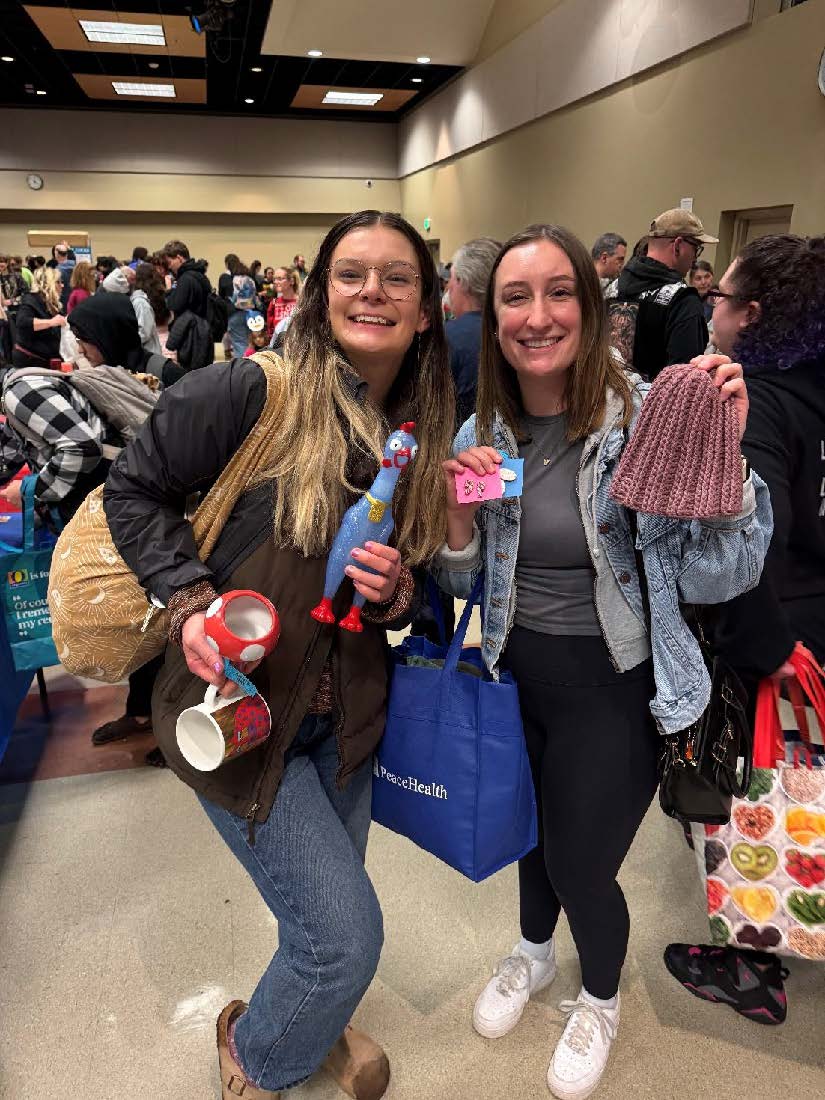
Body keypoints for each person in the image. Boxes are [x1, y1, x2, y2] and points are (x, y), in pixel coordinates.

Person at [102, 209, 454, 1099]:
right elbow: (134, 489)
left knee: (315, 917)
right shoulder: (250, 393)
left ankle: (294, 1014)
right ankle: (257, 1058)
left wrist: (399, 590)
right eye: (351, 274)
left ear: (423, 308)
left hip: (345, 720)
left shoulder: (417, 431)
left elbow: (424, 582)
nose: (372, 290)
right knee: (344, 939)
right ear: (318, 292)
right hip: (238, 713)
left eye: (396, 278)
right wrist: (187, 598)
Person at [434, 223, 771, 1100]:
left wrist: (725, 467)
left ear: (591, 307)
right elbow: (461, 572)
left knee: (582, 861)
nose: (536, 315)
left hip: (616, 682)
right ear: (493, 314)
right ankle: (533, 954)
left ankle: (600, 997)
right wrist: (457, 519)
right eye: (515, 296)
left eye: (559, 294)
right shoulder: (484, 430)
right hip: (513, 676)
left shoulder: (647, 417)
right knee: (528, 838)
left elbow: (718, 573)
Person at [664, 234, 825, 1024]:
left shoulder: (752, 400)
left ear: (751, 315)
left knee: (759, 797)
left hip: (784, 636)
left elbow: (747, 547)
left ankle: (752, 963)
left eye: (718, 298)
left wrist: (763, 648)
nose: (709, 309)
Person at [613, 209, 717, 378]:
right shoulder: (683, 302)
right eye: (696, 248)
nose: (694, 259)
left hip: (602, 399)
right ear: (677, 246)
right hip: (652, 403)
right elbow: (683, 384)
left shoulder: (612, 288)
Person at [444, 237, 501, 427]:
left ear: (461, 281)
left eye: (451, 278)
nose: (447, 287)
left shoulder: (445, 339)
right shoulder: (514, 335)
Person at [10, 265, 66, 370]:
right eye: (58, 282)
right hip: (31, 361)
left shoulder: (53, 304)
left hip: (46, 360)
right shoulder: (31, 299)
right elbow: (23, 323)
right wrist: (51, 322)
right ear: (48, 284)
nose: (62, 285)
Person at [163, 240, 211, 319]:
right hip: (203, 326)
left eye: (170, 262)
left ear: (179, 258)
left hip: (192, 328)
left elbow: (174, 308)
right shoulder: (200, 274)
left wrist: (169, 290)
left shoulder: (186, 279)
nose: (169, 267)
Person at [133, 262, 168, 357]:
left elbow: (144, 332)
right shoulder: (160, 294)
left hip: (150, 350)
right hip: (164, 339)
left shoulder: (140, 301)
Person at [266, 266, 299, 334]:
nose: (275, 282)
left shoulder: (302, 303)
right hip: (279, 343)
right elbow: (271, 332)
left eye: (280, 279)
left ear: (291, 281)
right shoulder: (273, 303)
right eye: (274, 279)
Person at [689, 259, 715, 323]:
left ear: (712, 277)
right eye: (698, 278)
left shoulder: (718, 301)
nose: (703, 282)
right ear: (691, 282)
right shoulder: (685, 302)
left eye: (707, 276)